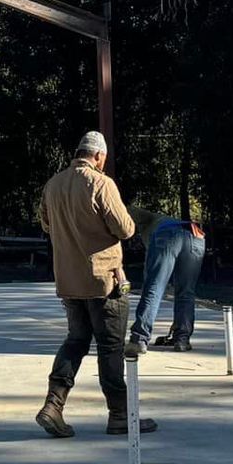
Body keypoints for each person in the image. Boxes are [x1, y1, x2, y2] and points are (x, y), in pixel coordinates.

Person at [33, 130, 157, 439]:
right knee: (110, 347)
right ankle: (120, 415)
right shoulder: (101, 183)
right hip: (104, 280)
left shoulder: (53, 185)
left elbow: (46, 224)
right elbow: (125, 229)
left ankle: (53, 406)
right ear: (99, 156)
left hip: (69, 281)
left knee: (75, 341)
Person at [126, 208, 207, 354]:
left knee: (153, 289)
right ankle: (182, 339)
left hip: (167, 234)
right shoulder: (158, 218)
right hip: (195, 235)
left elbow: (123, 213)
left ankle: (139, 339)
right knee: (186, 292)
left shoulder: (143, 220)